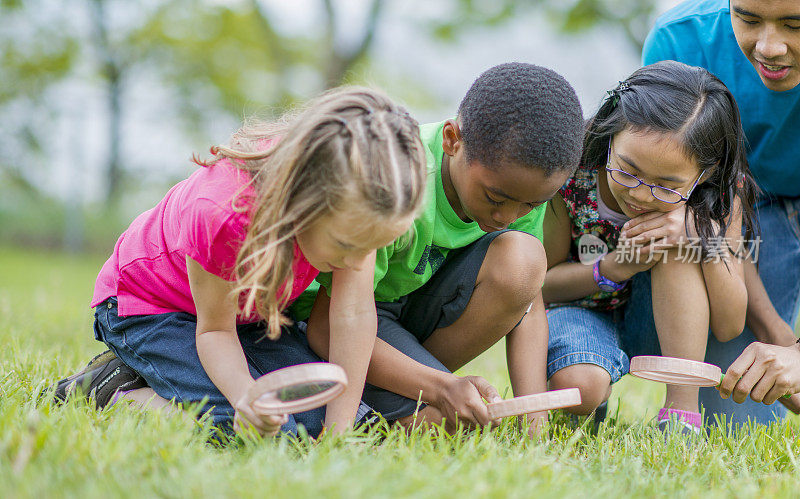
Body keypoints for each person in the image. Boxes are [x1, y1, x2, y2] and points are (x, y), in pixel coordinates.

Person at [54, 87, 427, 438]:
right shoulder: (223, 216)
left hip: (242, 317)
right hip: (149, 309)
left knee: (322, 419)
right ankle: (112, 390)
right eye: (347, 245)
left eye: (373, 246)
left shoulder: (358, 210)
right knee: (255, 430)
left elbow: (352, 316)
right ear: (303, 202)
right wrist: (246, 398)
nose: (358, 261)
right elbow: (214, 331)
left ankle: (163, 376)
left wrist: (338, 432)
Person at [299, 62, 584, 434]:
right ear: (452, 139)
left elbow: (528, 305)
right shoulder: (395, 179)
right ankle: (399, 395)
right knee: (446, 427)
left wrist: (535, 420)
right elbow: (326, 327)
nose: (507, 217)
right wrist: (441, 386)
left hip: (404, 319)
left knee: (525, 261)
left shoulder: (521, 189)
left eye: (529, 206)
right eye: (495, 197)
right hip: (333, 325)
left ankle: (404, 390)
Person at [543, 61, 758, 435]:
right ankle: (591, 394)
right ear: (611, 136)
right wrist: (613, 268)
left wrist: (699, 233)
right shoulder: (573, 173)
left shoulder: (721, 194)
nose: (640, 194)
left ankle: (680, 416)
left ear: (705, 173)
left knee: (675, 243)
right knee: (581, 389)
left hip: (668, 326)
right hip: (580, 312)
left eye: (666, 186)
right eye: (627, 170)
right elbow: (541, 284)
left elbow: (729, 325)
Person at [643, 0, 800, 425]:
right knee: (734, 418)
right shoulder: (681, 40)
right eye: (747, 19)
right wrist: (776, 334)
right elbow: (703, 213)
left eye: (795, 25)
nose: (769, 47)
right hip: (730, 211)